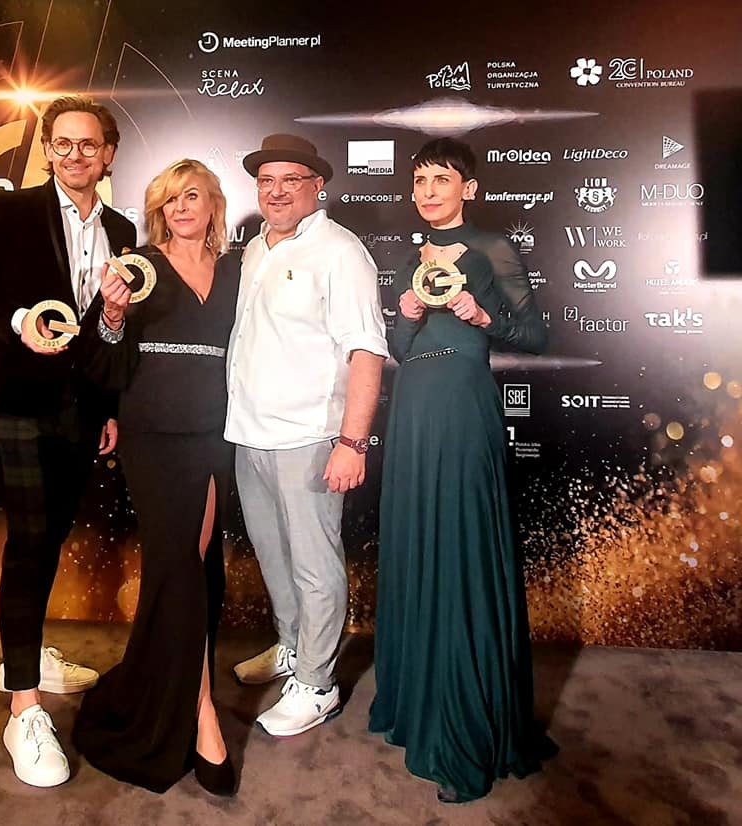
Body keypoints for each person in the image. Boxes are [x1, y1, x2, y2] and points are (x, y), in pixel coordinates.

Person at [0, 95, 136, 788]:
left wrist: (108, 406)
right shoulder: (12, 210)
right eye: (63, 143)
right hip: (20, 404)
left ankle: (25, 654)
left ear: (108, 154)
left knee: (49, 538)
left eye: (89, 144)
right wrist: (19, 319)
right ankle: (24, 707)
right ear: (47, 150)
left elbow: (109, 328)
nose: (76, 155)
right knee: (28, 542)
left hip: (83, 411)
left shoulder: (122, 228)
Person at [368, 137, 556, 802]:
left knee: (460, 547)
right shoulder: (407, 257)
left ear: (468, 188)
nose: (427, 191)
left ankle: (462, 727)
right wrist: (406, 313)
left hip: (464, 403)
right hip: (414, 410)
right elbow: (399, 348)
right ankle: (416, 700)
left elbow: (535, 335)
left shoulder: (493, 248)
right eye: (419, 180)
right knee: (419, 543)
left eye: (441, 179)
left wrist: (483, 314)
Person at [72, 159, 240, 796]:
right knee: (178, 567)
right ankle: (201, 711)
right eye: (170, 200)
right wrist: (113, 316)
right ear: (158, 211)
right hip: (154, 433)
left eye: (192, 196)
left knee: (190, 569)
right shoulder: (136, 266)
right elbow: (99, 355)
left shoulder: (237, 268)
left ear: (212, 203)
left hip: (216, 432)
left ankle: (155, 683)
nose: (181, 208)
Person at [225, 134, 388, 736]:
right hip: (250, 433)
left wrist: (352, 442)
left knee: (315, 565)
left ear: (317, 186)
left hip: (310, 438)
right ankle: (294, 647)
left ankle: (317, 683)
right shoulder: (253, 249)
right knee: (274, 555)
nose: (276, 192)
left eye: (290, 179)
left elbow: (366, 351)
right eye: (267, 180)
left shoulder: (340, 252)